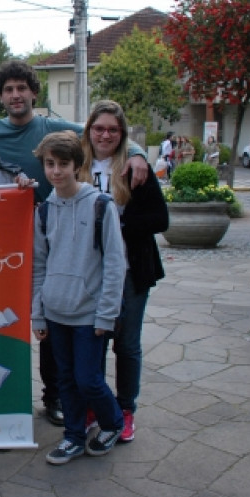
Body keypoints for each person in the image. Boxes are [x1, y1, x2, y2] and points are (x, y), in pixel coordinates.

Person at [0, 59, 149, 427]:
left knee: (65, 332)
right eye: (9, 89)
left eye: (22, 88)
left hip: (61, 234)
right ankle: (36, 400)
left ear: (33, 92)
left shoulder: (53, 128)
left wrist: (138, 151)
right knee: (28, 324)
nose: (16, 95)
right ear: (0, 95)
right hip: (10, 240)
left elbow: (103, 133)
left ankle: (60, 399)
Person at [31, 130, 126, 465]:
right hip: (56, 312)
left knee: (88, 379)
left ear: (77, 164)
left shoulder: (102, 205)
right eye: (50, 164)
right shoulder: (43, 212)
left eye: (63, 164)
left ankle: (113, 422)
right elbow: (38, 266)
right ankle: (72, 436)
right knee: (65, 380)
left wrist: (106, 314)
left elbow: (115, 263)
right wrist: (37, 314)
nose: (56, 171)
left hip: (89, 314)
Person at [78, 100, 168, 443]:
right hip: (89, 273)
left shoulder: (134, 169)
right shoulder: (78, 167)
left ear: (122, 135)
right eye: (99, 128)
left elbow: (161, 219)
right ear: (89, 130)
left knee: (127, 344)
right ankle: (95, 407)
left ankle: (126, 408)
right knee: (94, 342)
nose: (105, 134)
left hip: (131, 271)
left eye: (112, 130)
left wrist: (115, 225)